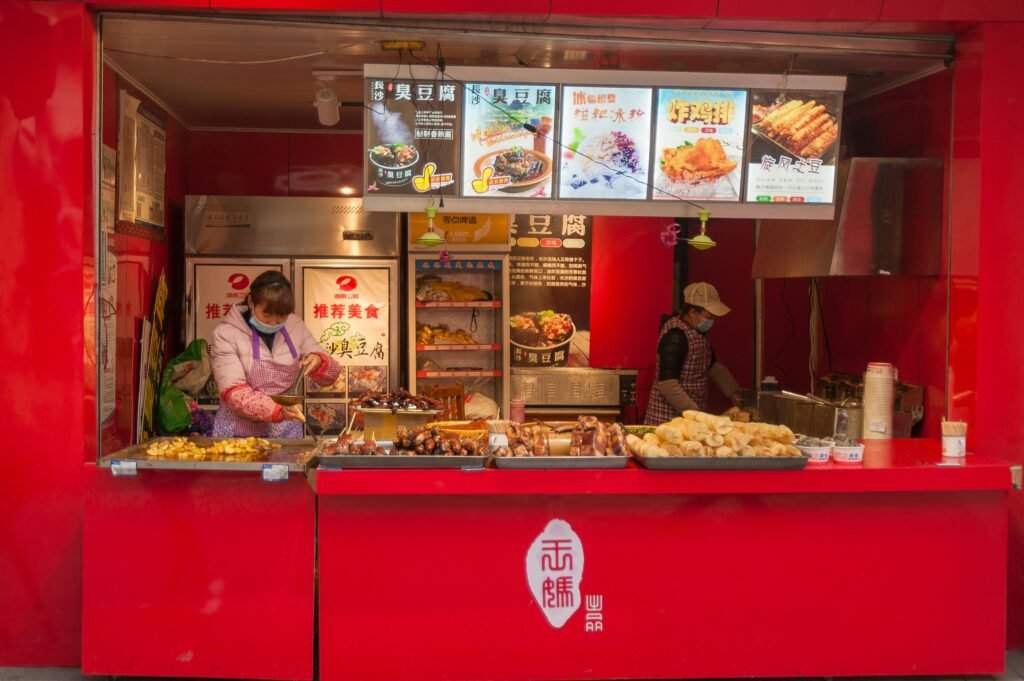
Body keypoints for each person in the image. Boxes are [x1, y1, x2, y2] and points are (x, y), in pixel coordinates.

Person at [210, 270, 341, 438]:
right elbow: (234, 392)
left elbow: (331, 375)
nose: (273, 323)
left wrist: (319, 362)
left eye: (281, 316)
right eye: (267, 314)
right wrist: (278, 410)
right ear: (251, 301)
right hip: (238, 432)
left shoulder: (296, 326)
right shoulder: (225, 333)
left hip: (286, 431)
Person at [644, 282, 743, 425]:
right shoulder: (675, 336)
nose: (711, 321)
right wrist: (697, 415)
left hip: (692, 416)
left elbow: (713, 365)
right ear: (692, 313)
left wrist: (734, 393)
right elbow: (668, 384)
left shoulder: (699, 332)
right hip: (669, 418)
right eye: (708, 316)